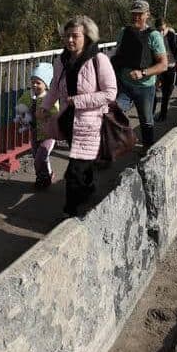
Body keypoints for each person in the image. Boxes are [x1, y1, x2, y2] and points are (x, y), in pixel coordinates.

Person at [37, 16, 117, 217]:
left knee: (74, 171)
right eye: (66, 36)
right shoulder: (61, 60)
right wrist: (45, 106)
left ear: (87, 36)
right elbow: (54, 87)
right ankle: (89, 189)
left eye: (75, 36)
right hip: (68, 120)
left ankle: (71, 212)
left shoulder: (99, 60)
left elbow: (110, 93)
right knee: (82, 161)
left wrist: (78, 101)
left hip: (90, 123)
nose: (70, 40)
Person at [110, 0, 168, 146]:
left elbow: (163, 65)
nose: (136, 17)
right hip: (124, 85)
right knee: (112, 113)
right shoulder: (124, 32)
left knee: (146, 121)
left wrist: (143, 73)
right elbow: (117, 54)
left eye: (139, 14)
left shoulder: (153, 36)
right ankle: (120, 142)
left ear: (147, 15)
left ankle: (148, 149)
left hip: (145, 87)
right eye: (134, 14)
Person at [16, 63, 59, 189]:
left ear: (46, 84)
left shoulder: (50, 98)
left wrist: (46, 115)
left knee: (40, 157)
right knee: (38, 157)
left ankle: (44, 178)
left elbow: (55, 112)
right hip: (34, 132)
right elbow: (20, 104)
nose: (34, 85)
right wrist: (22, 112)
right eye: (32, 82)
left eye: (38, 82)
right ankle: (45, 175)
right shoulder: (28, 95)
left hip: (48, 134)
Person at [153, 17, 177, 122]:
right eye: (158, 30)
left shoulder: (173, 36)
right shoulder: (153, 37)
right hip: (157, 68)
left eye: (163, 29)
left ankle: (163, 115)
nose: (161, 32)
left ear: (166, 27)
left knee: (166, 93)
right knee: (152, 92)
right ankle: (150, 115)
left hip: (170, 67)